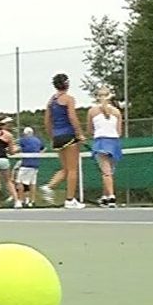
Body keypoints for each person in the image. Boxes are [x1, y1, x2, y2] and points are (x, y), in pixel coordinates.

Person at [41, 74, 86, 208]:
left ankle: (49, 187)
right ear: (67, 84)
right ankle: (70, 200)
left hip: (57, 137)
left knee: (65, 169)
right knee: (73, 170)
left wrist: (52, 136)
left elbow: (47, 122)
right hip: (68, 136)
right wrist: (79, 134)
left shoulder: (51, 101)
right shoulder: (69, 99)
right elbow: (72, 117)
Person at [88, 87, 124, 207]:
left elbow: (90, 130)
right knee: (108, 172)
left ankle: (111, 197)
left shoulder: (92, 111)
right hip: (114, 143)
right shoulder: (117, 112)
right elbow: (119, 132)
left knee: (106, 172)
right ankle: (105, 197)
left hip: (101, 142)